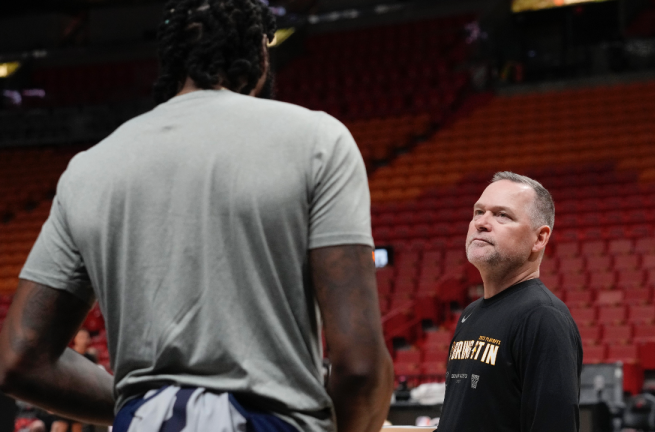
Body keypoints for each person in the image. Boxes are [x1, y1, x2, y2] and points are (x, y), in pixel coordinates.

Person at [0, 0, 393, 431]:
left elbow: (19, 361)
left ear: (171, 58)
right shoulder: (319, 139)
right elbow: (359, 368)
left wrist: (148, 411)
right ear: (261, 53)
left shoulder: (90, 166)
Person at [437, 172, 582, 432]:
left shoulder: (543, 317)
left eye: (502, 215)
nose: (481, 222)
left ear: (539, 238)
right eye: (478, 212)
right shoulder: (470, 314)